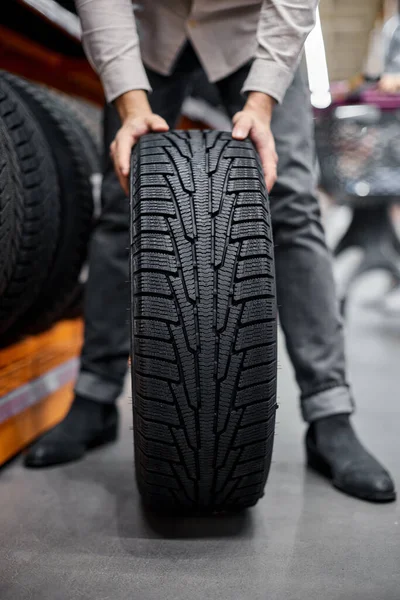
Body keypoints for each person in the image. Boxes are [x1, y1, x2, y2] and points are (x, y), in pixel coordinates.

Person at [25, 0, 396, 503]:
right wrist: (132, 106)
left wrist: (261, 103)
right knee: (121, 199)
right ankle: (93, 399)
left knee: (291, 200)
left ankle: (330, 415)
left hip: (254, 29)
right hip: (152, 30)